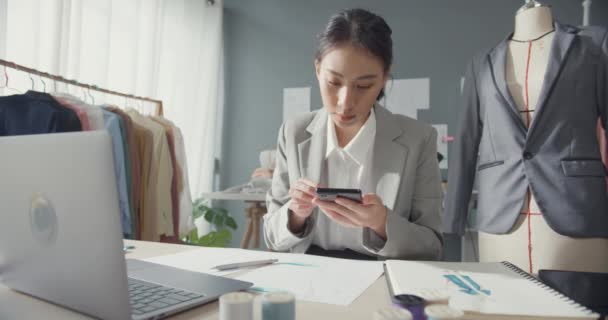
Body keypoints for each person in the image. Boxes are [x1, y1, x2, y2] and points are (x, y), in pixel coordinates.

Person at [263, 8, 443, 260]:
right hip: (307, 274)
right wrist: (294, 215)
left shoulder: (418, 139)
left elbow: (432, 246)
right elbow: (271, 235)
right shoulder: (293, 132)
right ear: (318, 70)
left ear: (383, 79)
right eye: (334, 82)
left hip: (381, 275)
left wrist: (382, 223)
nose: (345, 103)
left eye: (363, 86)